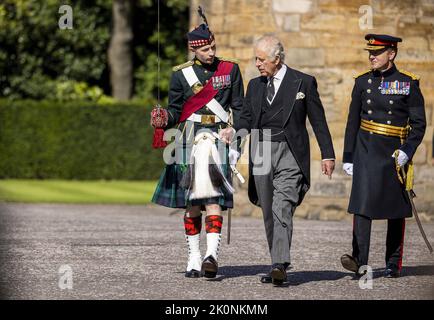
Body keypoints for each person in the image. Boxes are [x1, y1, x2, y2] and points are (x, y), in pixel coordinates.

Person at [234, 35, 335, 285]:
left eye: (261, 59)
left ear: (276, 59)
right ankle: (275, 261)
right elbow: (246, 118)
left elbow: (318, 121)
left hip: (290, 151)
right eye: (256, 59)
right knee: (268, 209)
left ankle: (280, 264)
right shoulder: (255, 85)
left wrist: (328, 153)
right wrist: (234, 139)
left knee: (282, 206)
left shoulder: (304, 82)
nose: (257, 64)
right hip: (261, 149)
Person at [150, 11, 244, 279]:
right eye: (205, 49)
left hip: (217, 136)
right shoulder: (180, 75)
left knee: (213, 200)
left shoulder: (230, 70)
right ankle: (193, 255)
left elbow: (240, 107)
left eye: (212, 47)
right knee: (192, 202)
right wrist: (163, 118)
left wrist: (235, 129)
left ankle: (211, 256)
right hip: (189, 137)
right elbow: (176, 110)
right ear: (194, 49)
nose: (211, 52)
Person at [340, 34, 426, 278]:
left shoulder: (408, 83)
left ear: (392, 53)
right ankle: (359, 261)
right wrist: (348, 156)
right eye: (370, 53)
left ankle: (393, 262)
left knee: (395, 209)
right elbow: (352, 122)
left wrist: (407, 151)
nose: (372, 57)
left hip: (394, 152)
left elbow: (419, 124)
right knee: (362, 205)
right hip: (366, 149)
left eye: (377, 53)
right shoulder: (362, 82)